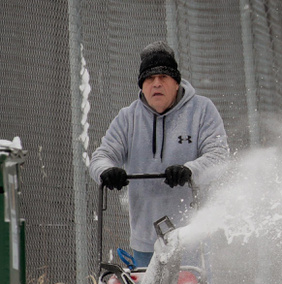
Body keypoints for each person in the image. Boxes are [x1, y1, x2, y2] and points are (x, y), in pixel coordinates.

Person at [89, 41, 229, 267]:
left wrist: (190, 170)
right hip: (145, 243)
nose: (156, 84)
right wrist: (107, 171)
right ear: (141, 85)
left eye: (163, 77)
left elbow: (219, 157)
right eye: (149, 79)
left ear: (176, 82)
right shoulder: (128, 118)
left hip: (191, 240)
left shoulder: (202, 111)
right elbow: (101, 156)